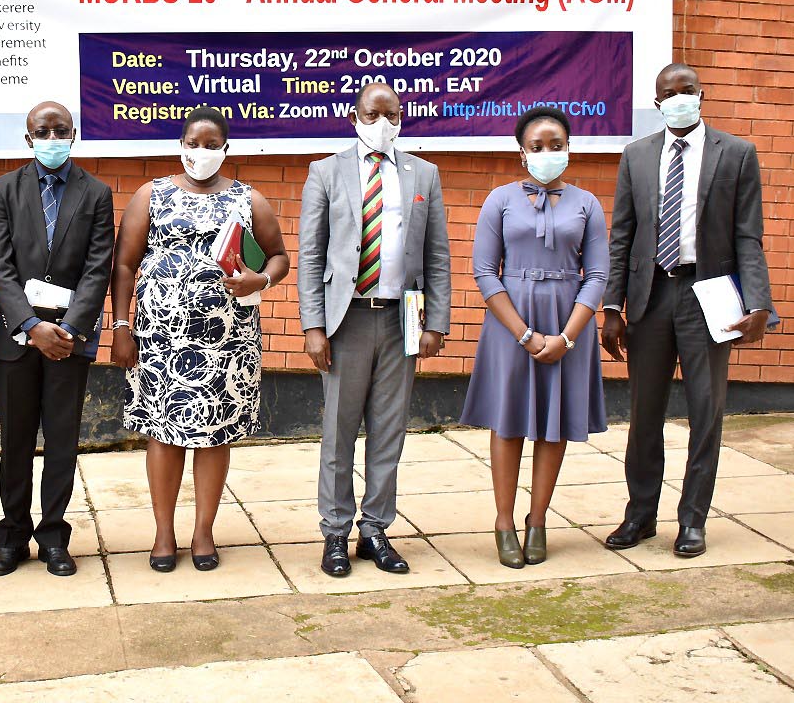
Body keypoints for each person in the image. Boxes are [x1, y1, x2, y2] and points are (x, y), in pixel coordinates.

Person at [602, 62, 775, 559]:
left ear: (702, 95)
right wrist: (613, 307)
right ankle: (640, 514)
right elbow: (623, 236)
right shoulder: (636, 156)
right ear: (657, 102)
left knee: (707, 411)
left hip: (709, 296)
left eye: (687, 90)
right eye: (668, 93)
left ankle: (693, 520)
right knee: (644, 413)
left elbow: (749, 236)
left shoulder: (737, 154)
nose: (678, 98)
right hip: (652, 296)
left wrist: (759, 303)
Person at [110, 106, 288, 572]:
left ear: (226, 150)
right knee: (163, 436)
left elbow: (279, 257)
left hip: (227, 343)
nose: (201, 153)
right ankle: (164, 533)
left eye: (211, 145)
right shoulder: (151, 195)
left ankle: (204, 531)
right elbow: (125, 264)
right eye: (193, 143)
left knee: (214, 437)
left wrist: (260, 282)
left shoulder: (250, 199)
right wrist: (121, 326)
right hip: (160, 340)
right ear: (180, 145)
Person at [298, 82, 451, 578]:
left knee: (389, 430)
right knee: (339, 433)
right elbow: (310, 256)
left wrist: (438, 322)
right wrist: (313, 326)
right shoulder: (325, 171)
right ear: (354, 116)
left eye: (393, 114)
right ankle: (336, 533)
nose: (383, 122)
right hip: (347, 319)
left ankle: (376, 530)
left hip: (402, 316)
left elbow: (437, 255)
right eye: (373, 113)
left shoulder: (423, 172)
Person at [460, 106, 609, 569]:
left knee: (554, 424)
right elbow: (485, 271)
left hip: (569, 322)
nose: (548, 153)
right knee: (509, 424)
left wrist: (565, 337)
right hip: (511, 323)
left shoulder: (587, 203)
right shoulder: (499, 200)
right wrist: (525, 334)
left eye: (557, 145)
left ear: (569, 148)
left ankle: (538, 519)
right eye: (538, 146)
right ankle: (504, 522)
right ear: (522, 153)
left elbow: (598, 272)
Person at [0, 102, 114, 578]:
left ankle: (54, 536)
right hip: (18, 338)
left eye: (61, 130)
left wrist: (71, 329)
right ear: (28, 137)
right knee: (15, 441)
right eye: (43, 131)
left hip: (68, 338)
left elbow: (99, 266)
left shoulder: (96, 192)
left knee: (62, 441)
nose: (52, 138)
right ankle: (12, 537)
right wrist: (30, 326)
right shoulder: (4, 189)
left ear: (73, 135)